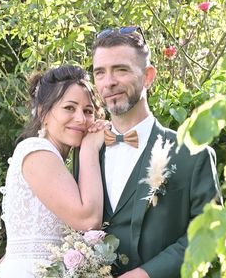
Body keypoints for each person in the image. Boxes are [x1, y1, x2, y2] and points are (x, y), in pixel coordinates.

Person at [91, 27, 219, 278]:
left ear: (148, 76)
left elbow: (211, 235)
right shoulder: (87, 152)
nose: (109, 82)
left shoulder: (192, 155)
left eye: (121, 69)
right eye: (100, 73)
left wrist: (146, 274)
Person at [0, 65, 108, 278]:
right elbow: (88, 220)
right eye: (69, 108)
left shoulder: (54, 159)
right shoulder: (36, 150)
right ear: (44, 113)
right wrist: (90, 148)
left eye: (88, 111)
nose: (81, 119)